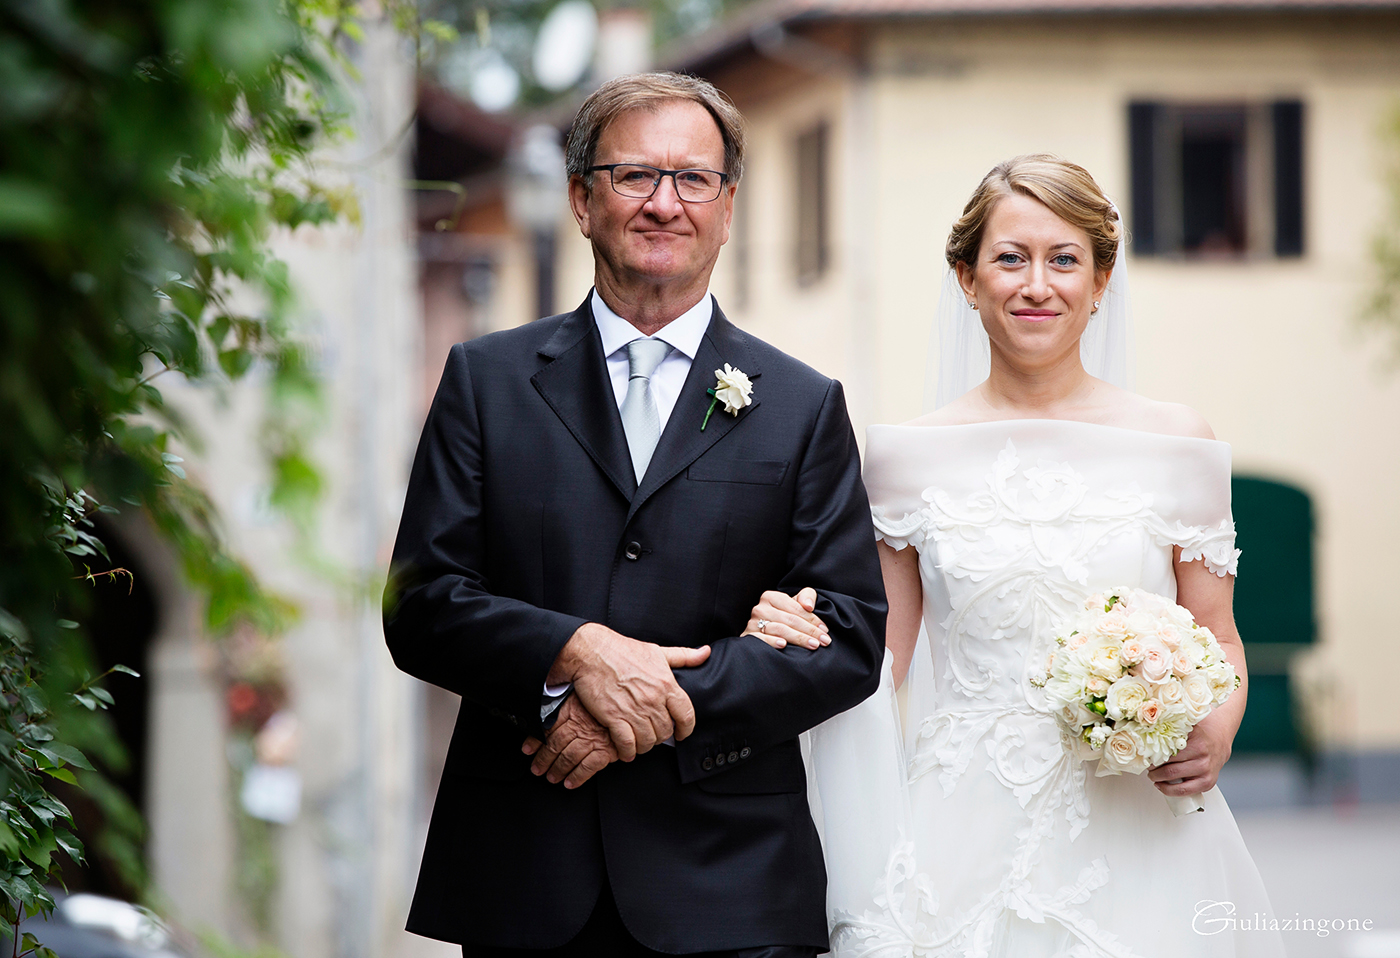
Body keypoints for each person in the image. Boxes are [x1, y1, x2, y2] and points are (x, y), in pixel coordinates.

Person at [382, 72, 887, 958]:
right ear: (581, 199)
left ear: (729, 208)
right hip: (524, 875)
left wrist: (646, 701)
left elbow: (847, 639)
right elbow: (420, 607)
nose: (666, 204)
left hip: (732, 882)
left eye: (694, 179)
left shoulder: (804, 406)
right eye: (633, 176)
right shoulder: (484, 382)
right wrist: (574, 651)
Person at [751, 155, 1285, 956]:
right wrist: (798, 639)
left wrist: (1219, 724)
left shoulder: (1178, 442)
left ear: (1101, 281)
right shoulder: (903, 457)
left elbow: (1220, 639)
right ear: (968, 279)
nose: (1038, 285)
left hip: (1137, 822)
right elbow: (881, 660)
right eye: (1010, 258)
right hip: (956, 820)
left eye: (1064, 259)